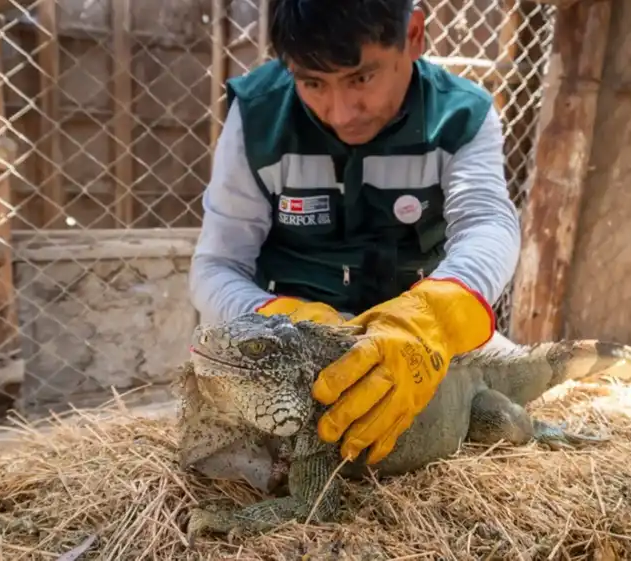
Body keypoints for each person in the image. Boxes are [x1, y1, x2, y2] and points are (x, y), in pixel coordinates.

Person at [188, 0, 521, 466]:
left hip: (412, 326)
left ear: (414, 35)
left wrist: (433, 316)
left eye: (361, 78)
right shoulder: (256, 115)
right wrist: (280, 320)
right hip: (290, 336)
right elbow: (216, 265)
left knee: (512, 406)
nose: (341, 114)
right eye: (312, 83)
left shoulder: (462, 115)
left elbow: (487, 222)